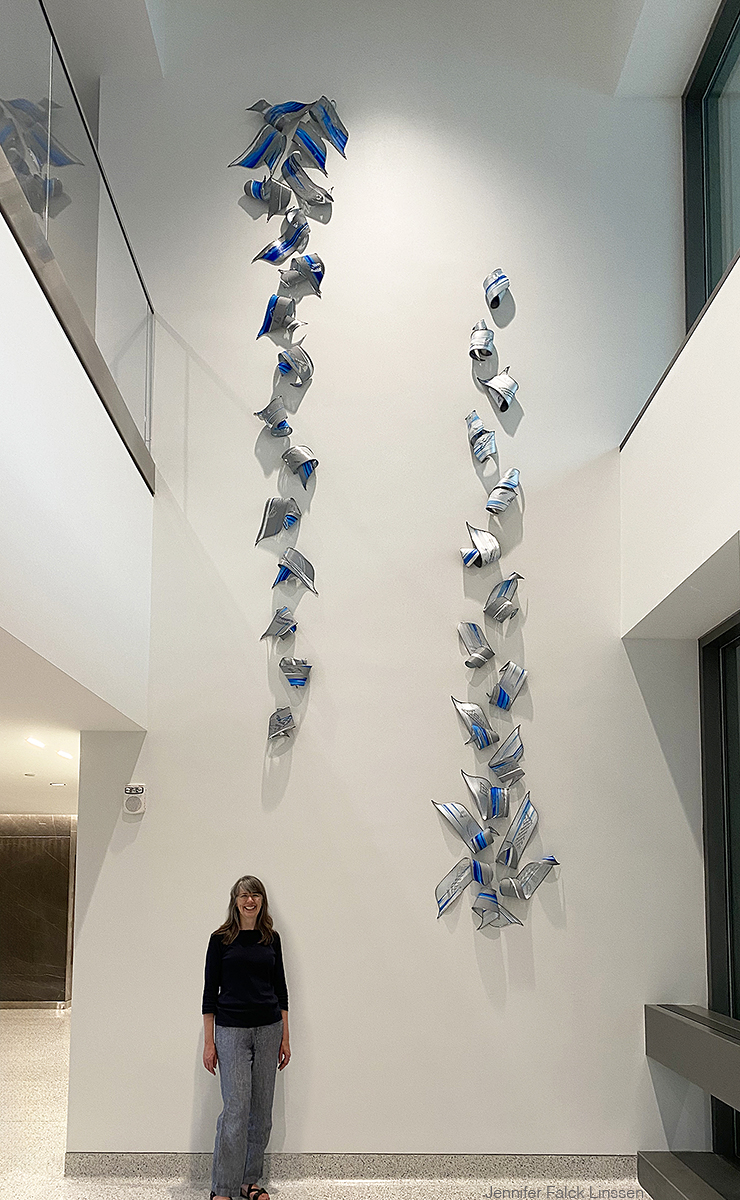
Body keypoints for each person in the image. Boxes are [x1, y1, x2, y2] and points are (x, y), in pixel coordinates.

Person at [202, 875, 290, 1200]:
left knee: (261, 1113)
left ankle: (249, 1181)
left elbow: (281, 990)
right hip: (231, 1032)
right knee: (236, 1110)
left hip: (269, 1030)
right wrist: (209, 1042)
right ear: (235, 901)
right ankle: (223, 1188)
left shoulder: (271, 939)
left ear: (262, 901)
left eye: (255, 895)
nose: (249, 900)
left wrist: (285, 1038)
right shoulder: (220, 940)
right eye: (243, 895)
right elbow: (209, 994)